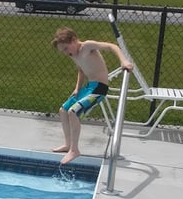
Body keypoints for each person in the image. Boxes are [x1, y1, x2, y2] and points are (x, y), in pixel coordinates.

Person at [51, 27, 133, 164]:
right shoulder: (74, 54)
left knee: (73, 112)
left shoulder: (87, 46)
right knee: (63, 110)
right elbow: (81, 70)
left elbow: (112, 46)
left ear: (74, 40)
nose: (65, 53)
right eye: (63, 51)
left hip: (99, 89)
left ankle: (74, 150)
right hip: (89, 87)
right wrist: (77, 88)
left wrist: (123, 61)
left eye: (66, 48)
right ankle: (67, 144)